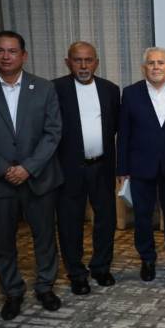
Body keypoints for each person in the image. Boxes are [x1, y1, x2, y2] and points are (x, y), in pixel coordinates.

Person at [0, 30, 63, 320]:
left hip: (38, 178)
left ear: (24, 55)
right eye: (0, 51)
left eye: (12, 51)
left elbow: (53, 132)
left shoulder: (44, 88)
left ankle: (45, 287)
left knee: (45, 238)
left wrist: (28, 167)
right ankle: (13, 292)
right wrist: (5, 169)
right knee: (2, 242)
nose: (6, 56)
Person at [117, 47, 165, 281]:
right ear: (144, 68)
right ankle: (147, 258)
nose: (156, 67)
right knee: (142, 216)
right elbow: (124, 133)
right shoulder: (130, 93)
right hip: (140, 166)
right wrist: (122, 169)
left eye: (160, 63)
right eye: (151, 63)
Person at [53, 41, 120, 295]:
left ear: (96, 63)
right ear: (68, 62)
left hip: (101, 166)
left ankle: (101, 267)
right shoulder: (55, 89)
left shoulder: (110, 90)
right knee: (70, 222)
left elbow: (115, 127)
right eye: (77, 60)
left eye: (88, 60)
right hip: (69, 168)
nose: (83, 65)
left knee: (106, 220)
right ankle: (76, 273)